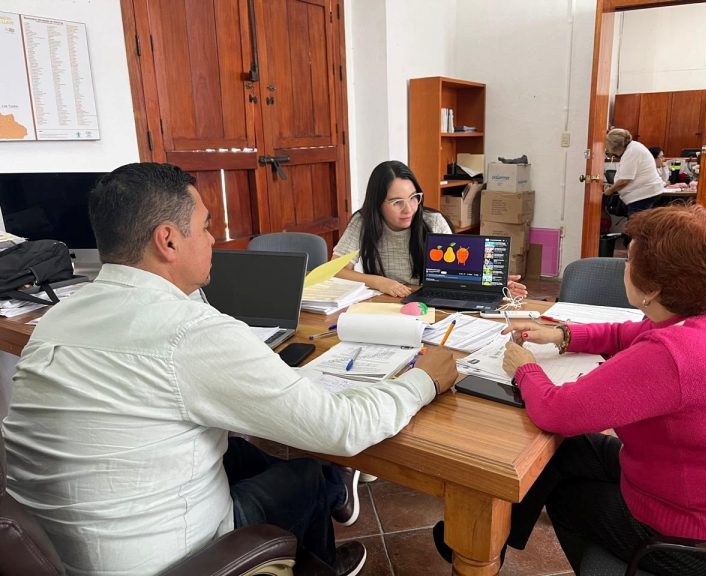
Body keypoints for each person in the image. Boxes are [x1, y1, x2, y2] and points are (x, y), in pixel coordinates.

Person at [1, 162, 459, 576]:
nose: (213, 239)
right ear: (168, 240)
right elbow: (341, 428)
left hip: (59, 551)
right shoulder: (190, 331)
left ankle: (324, 531)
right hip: (170, 561)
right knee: (309, 471)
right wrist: (425, 379)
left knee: (246, 452)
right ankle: (320, 558)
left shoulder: (58, 316)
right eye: (205, 228)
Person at [472, 204, 706, 576]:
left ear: (653, 288)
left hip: (697, 543)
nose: (624, 266)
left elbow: (556, 411)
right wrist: (564, 334)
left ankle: (483, 551)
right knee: (563, 454)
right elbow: (624, 333)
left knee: (561, 493)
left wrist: (523, 367)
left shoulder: (671, 355)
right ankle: (485, 548)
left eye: (630, 261)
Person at [334, 160, 528, 299]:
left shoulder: (432, 222)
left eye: (413, 197)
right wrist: (379, 282)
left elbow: (459, 272)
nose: (408, 209)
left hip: (426, 303)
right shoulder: (363, 222)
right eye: (396, 202)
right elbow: (336, 270)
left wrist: (495, 285)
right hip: (382, 301)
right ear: (377, 204)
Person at [603, 129, 664, 217]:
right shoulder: (634, 147)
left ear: (616, 147)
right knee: (637, 225)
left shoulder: (631, 152)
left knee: (635, 226)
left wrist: (610, 190)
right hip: (645, 193)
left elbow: (625, 180)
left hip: (642, 195)